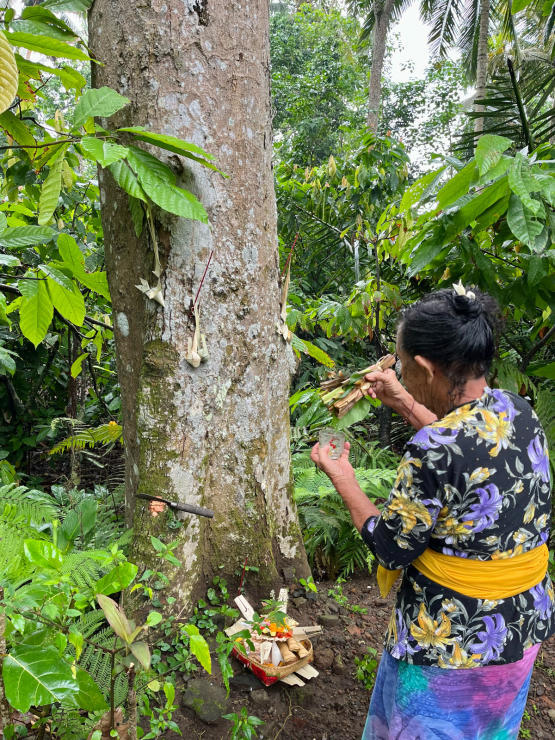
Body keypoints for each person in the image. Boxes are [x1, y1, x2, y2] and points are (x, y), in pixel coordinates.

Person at [312, 285, 554, 740]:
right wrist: (404, 400)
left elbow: (390, 548)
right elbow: (470, 450)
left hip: (450, 644)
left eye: (403, 365)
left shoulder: (431, 450)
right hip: (522, 624)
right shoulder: (518, 411)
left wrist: (341, 476)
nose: (401, 372)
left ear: (424, 365)